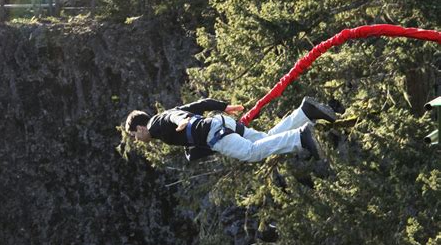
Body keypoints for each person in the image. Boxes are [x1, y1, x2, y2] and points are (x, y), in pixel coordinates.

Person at [123, 97, 336, 162]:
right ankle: (305, 113)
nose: (136, 139)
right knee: (267, 139)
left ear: (140, 127)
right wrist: (223, 106)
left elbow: (175, 115)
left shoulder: (155, 125)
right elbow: (198, 104)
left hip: (213, 132)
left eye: (134, 135)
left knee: (251, 153)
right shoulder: (163, 118)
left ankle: (300, 137)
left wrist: (184, 121)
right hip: (221, 123)